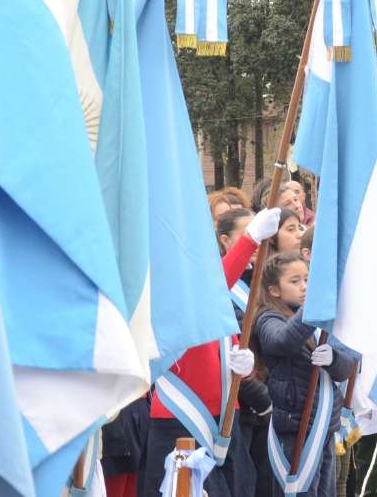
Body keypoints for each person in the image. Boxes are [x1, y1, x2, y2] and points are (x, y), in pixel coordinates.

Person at [139, 208, 281, 497]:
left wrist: (245, 366)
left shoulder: (208, 290)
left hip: (225, 419)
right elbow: (212, 292)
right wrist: (250, 238)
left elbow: (221, 342)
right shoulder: (173, 287)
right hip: (180, 420)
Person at [255, 252, 357, 497]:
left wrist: (333, 358)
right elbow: (282, 341)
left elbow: (347, 369)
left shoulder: (315, 318)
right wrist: (314, 305)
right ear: (274, 290)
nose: (304, 287)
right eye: (295, 281)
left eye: (308, 280)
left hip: (323, 424)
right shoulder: (268, 317)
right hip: (294, 426)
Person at [215, 209, 277, 496]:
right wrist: (261, 398)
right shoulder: (219, 282)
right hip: (244, 402)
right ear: (227, 241)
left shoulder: (266, 280)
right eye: (249, 232)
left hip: (270, 400)